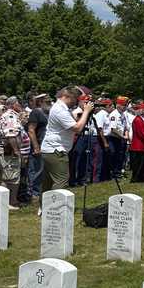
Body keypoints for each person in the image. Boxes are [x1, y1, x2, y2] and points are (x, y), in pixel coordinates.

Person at [40, 86, 94, 214]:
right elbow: (77, 128)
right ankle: (55, 210)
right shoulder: (60, 110)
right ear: (67, 97)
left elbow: (71, 122)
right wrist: (86, 112)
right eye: (74, 99)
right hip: (56, 150)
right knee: (61, 181)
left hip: (50, 149)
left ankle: (43, 208)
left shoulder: (61, 108)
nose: (75, 102)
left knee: (47, 182)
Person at [0, 96, 24, 209]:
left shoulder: (11, 115)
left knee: (10, 176)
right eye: (19, 103)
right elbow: (11, 134)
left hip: (9, 150)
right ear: (13, 104)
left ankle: (12, 200)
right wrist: (16, 150)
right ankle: (8, 202)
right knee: (9, 177)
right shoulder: (10, 116)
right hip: (9, 151)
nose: (20, 106)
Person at [129, 103, 144, 182]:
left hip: (142, 145)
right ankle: (136, 178)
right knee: (138, 163)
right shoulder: (138, 120)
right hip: (138, 145)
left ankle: (140, 177)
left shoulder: (142, 119)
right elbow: (141, 133)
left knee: (141, 163)